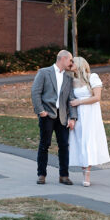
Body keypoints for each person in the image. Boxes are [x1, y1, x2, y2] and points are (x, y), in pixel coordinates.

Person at [31, 49, 77, 185]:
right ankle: (41, 174)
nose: (71, 62)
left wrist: (73, 117)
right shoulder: (44, 72)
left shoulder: (69, 77)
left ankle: (64, 175)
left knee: (64, 145)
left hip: (62, 116)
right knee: (44, 145)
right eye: (70, 60)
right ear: (62, 58)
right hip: (47, 115)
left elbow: (71, 98)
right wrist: (41, 111)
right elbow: (35, 92)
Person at [67, 56, 110, 186]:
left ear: (80, 64)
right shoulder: (71, 81)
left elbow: (97, 97)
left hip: (91, 114)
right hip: (78, 114)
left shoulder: (92, 77)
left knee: (88, 140)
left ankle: (87, 174)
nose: (70, 64)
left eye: (72, 62)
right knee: (79, 140)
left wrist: (79, 101)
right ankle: (83, 171)